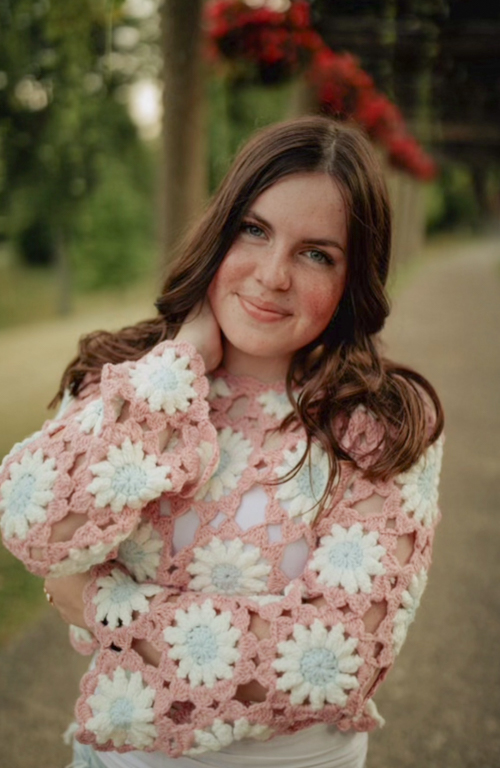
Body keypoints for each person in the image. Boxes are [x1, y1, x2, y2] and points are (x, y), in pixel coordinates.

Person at [0, 116, 444, 768]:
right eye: (254, 230)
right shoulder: (125, 377)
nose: (271, 276)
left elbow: (333, 658)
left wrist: (104, 605)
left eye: (316, 253)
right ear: (221, 228)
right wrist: (179, 363)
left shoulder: (382, 428)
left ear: (354, 278)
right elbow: (37, 523)